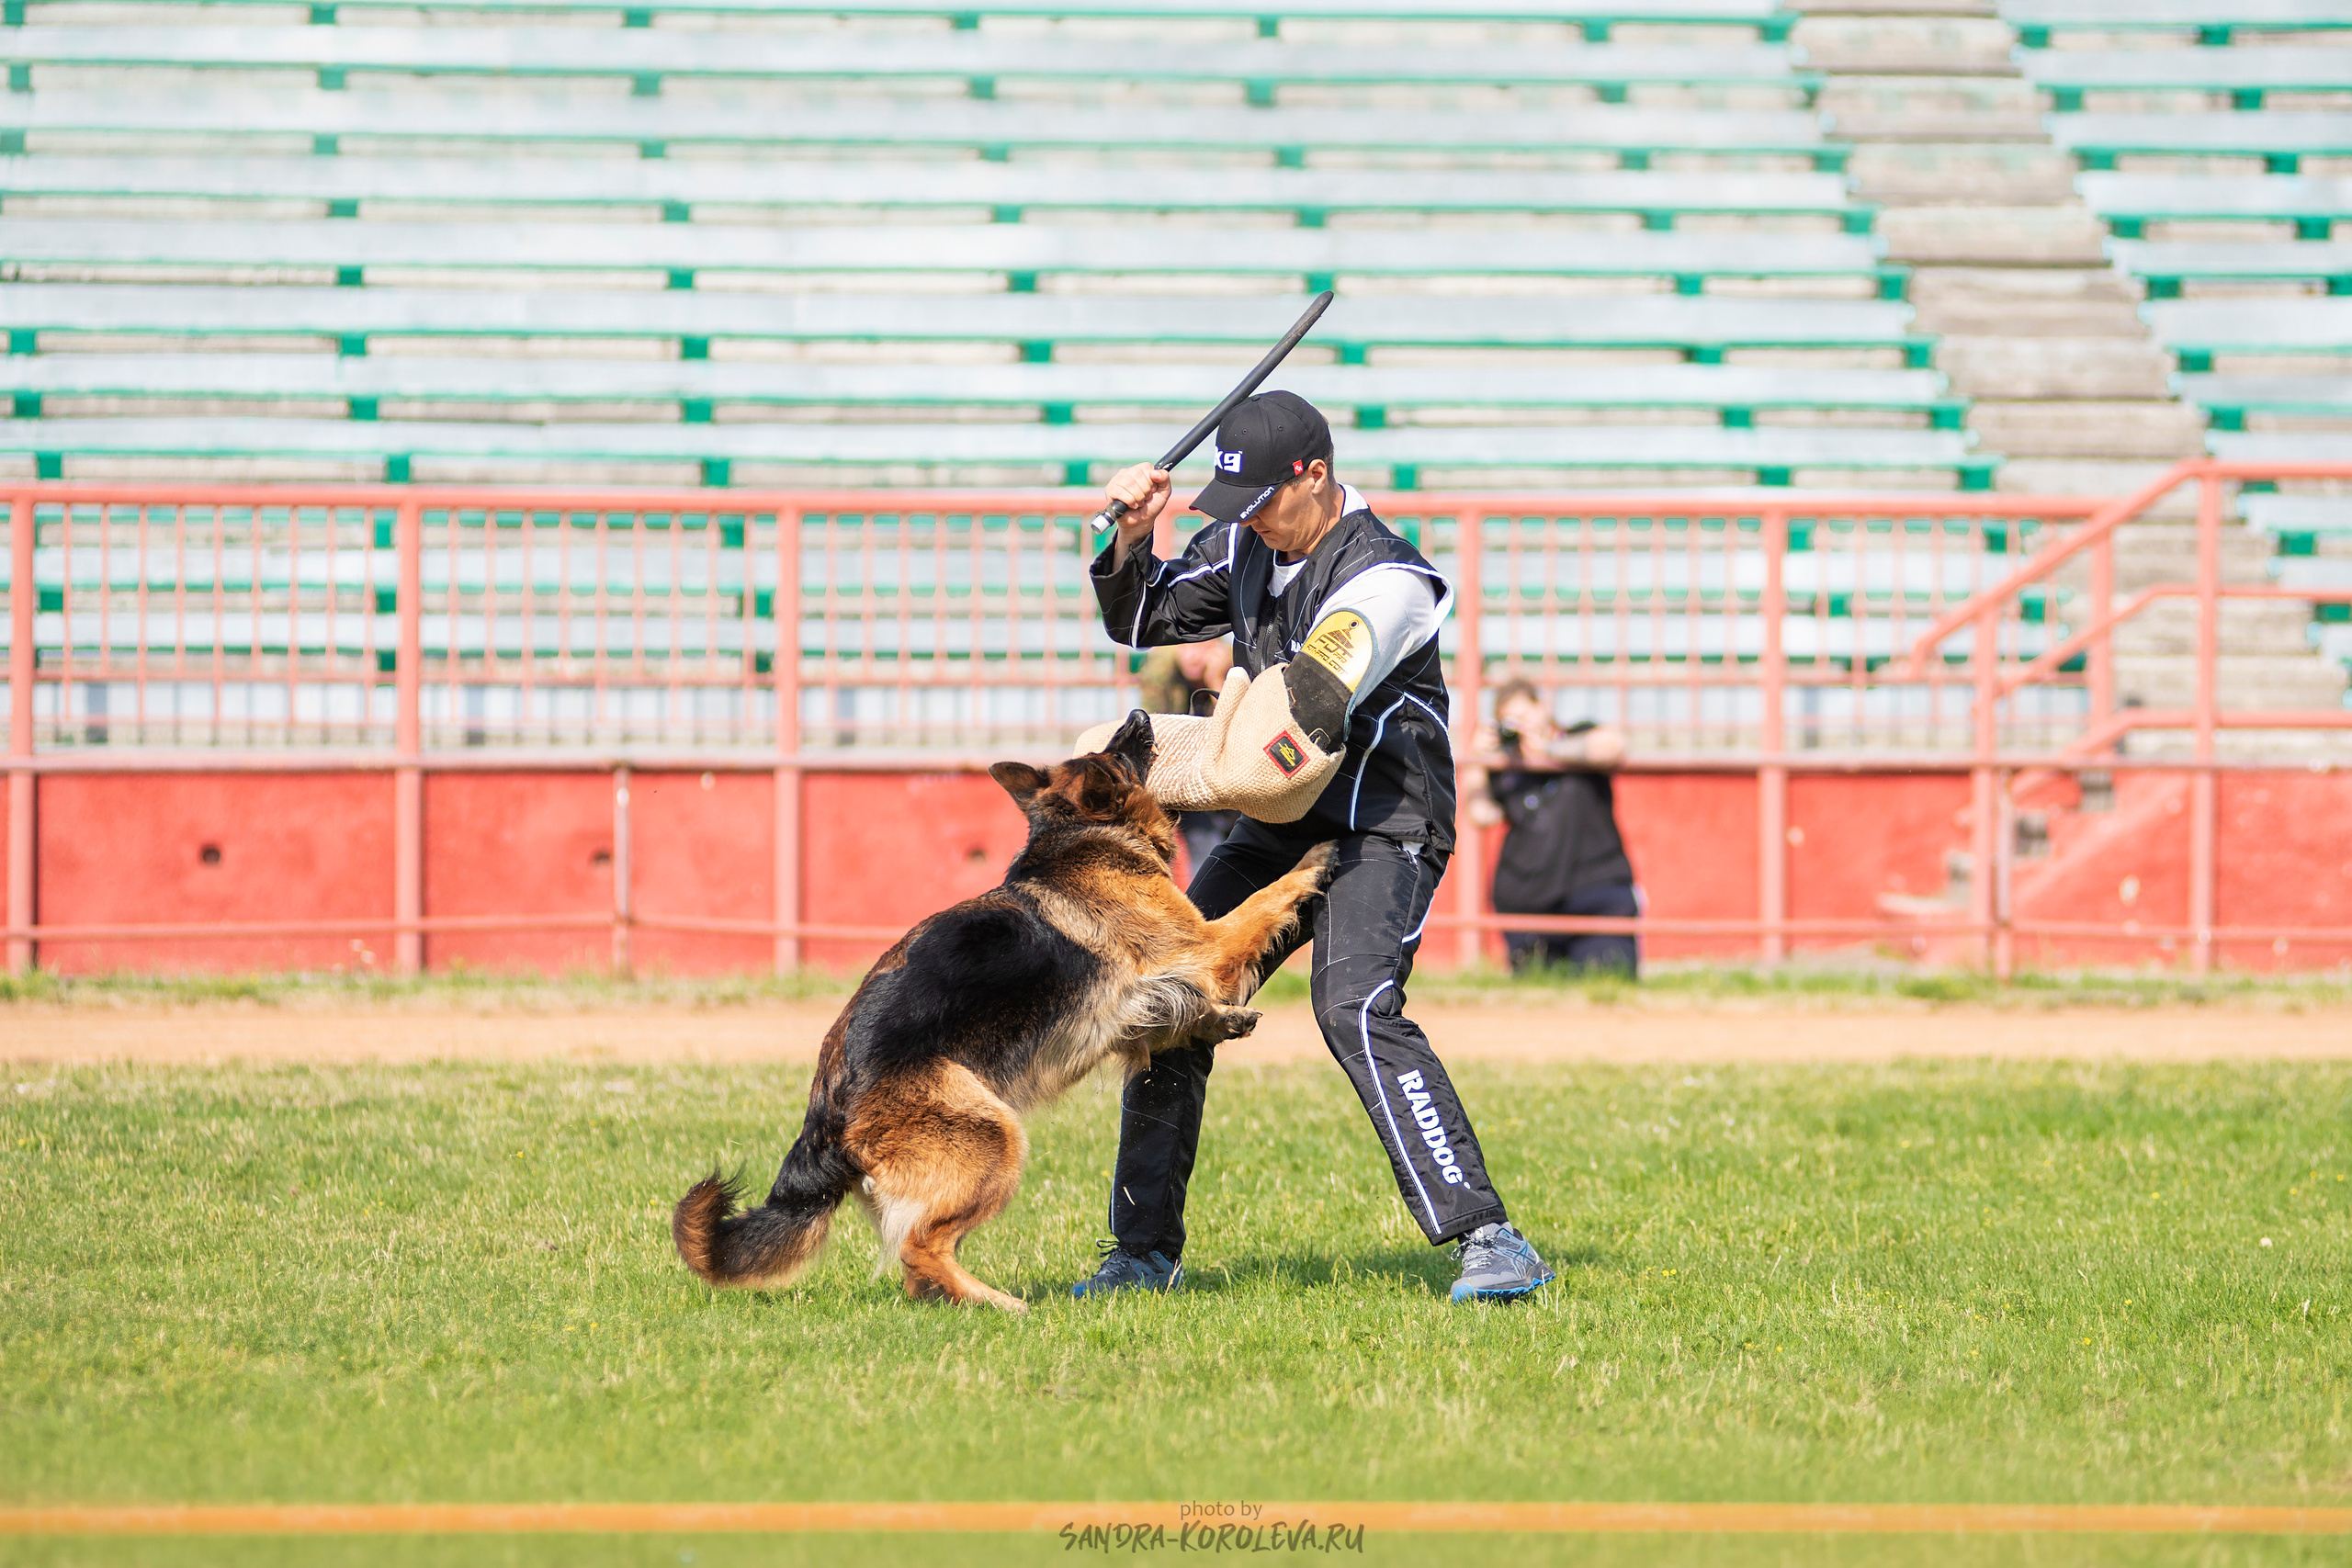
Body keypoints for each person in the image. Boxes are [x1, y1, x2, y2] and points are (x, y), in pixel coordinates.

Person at [1073, 389, 1555, 1305]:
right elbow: (1144, 623)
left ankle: (1492, 1240)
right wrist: (1134, 538)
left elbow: (1297, 728)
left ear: (1316, 476)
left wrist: (1168, 764)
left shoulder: (1388, 582)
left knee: (1354, 1006)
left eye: (1260, 501)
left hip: (1385, 824)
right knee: (1174, 1000)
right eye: (1233, 506)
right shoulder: (1252, 537)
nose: (1246, 522)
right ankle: (1140, 1256)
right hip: (1282, 822)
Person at [1465, 678, 1638, 976]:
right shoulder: (1505, 765)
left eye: (1526, 715)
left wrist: (1548, 750)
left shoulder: (1577, 736)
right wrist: (1477, 762)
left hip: (1596, 896)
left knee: (1610, 982)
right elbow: (1481, 814)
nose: (1521, 725)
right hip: (1528, 901)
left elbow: (1614, 747)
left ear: (1543, 707)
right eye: (1512, 721)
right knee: (1537, 1000)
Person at [1136, 638, 1239, 880]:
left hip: (1228, 777)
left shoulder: (1232, 669)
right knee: (1201, 846)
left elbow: (1238, 735)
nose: (1193, 656)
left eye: (1202, 648)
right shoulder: (1162, 673)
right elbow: (1154, 731)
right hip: (1183, 776)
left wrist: (1217, 681)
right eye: (1187, 647)